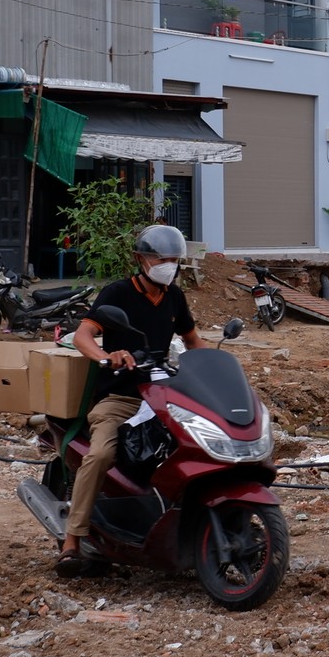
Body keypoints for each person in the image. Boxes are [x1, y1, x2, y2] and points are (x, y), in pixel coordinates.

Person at [57, 223, 204, 576]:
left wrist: (208, 371)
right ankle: (72, 540)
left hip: (163, 396)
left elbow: (195, 341)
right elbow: (83, 336)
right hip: (121, 397)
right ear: (140, 258)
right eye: (161, 257)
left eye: (174, 258)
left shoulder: (175, 297)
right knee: (102, 454)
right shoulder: (117, 293)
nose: (169, 264)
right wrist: (107, 357)